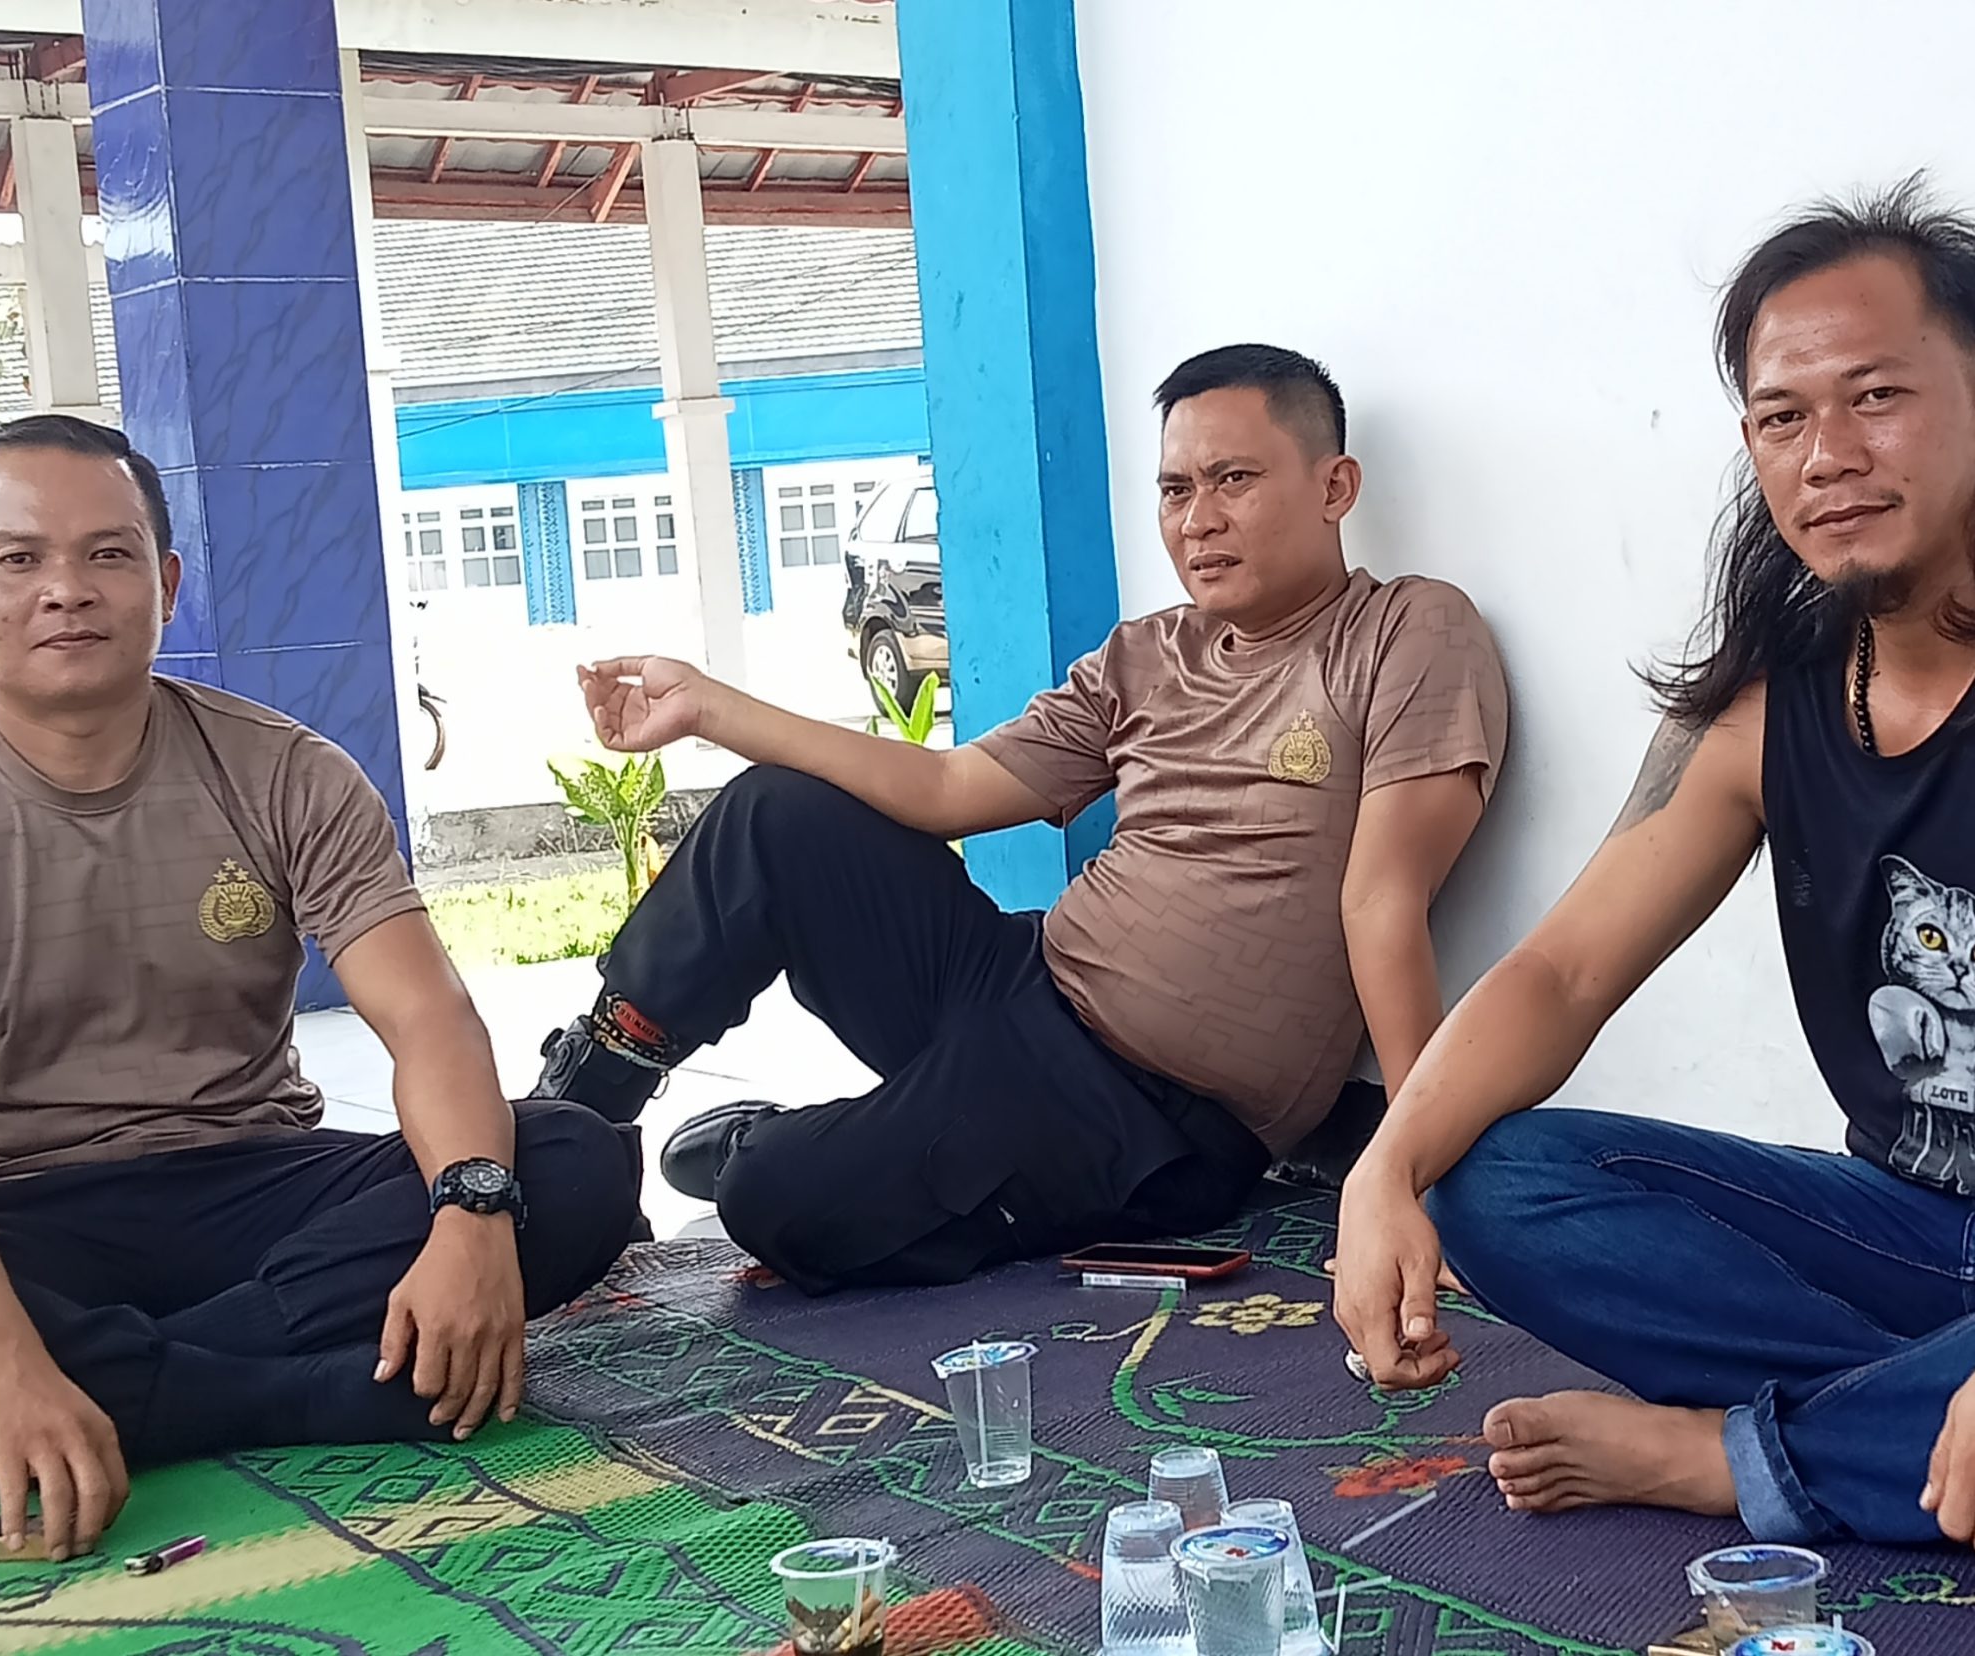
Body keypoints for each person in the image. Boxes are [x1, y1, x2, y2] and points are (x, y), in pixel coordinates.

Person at [1330, 181, 1975, 1583]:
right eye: (1782, 417)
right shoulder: (1764, 703)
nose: (1827, 454)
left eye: (1876, 397)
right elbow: (1563, 972)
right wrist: (1383, 1165)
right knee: (1493, 1173)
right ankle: (1971, 1432)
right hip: (1898, 1230)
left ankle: (1739, 1459)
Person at [536, 344, 1508, 1294]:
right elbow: (949, 788)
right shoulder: (1147, 654)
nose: (1199, 520)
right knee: (776, 815)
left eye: (1235, 480)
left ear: (1335, 487)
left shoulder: (1406, 632)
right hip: (1013, 981)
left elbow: (1382, 901)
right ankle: (574, 1125)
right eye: (1175, 490)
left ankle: (776, 1142)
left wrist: (1415, 1177)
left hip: (1140, 1116)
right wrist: (707, 709)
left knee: (773, 1195)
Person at [0, 416, 639, 1563]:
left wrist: (469, 1211)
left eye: (109, 553)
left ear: (168, 584)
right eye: (20, 559)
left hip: (253, 1180)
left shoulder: (283, 772)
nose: (67, 590)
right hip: (13, 1209)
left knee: (571, 1158)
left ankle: (124, 1386)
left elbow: (427, 1017)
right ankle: (305, 1392)